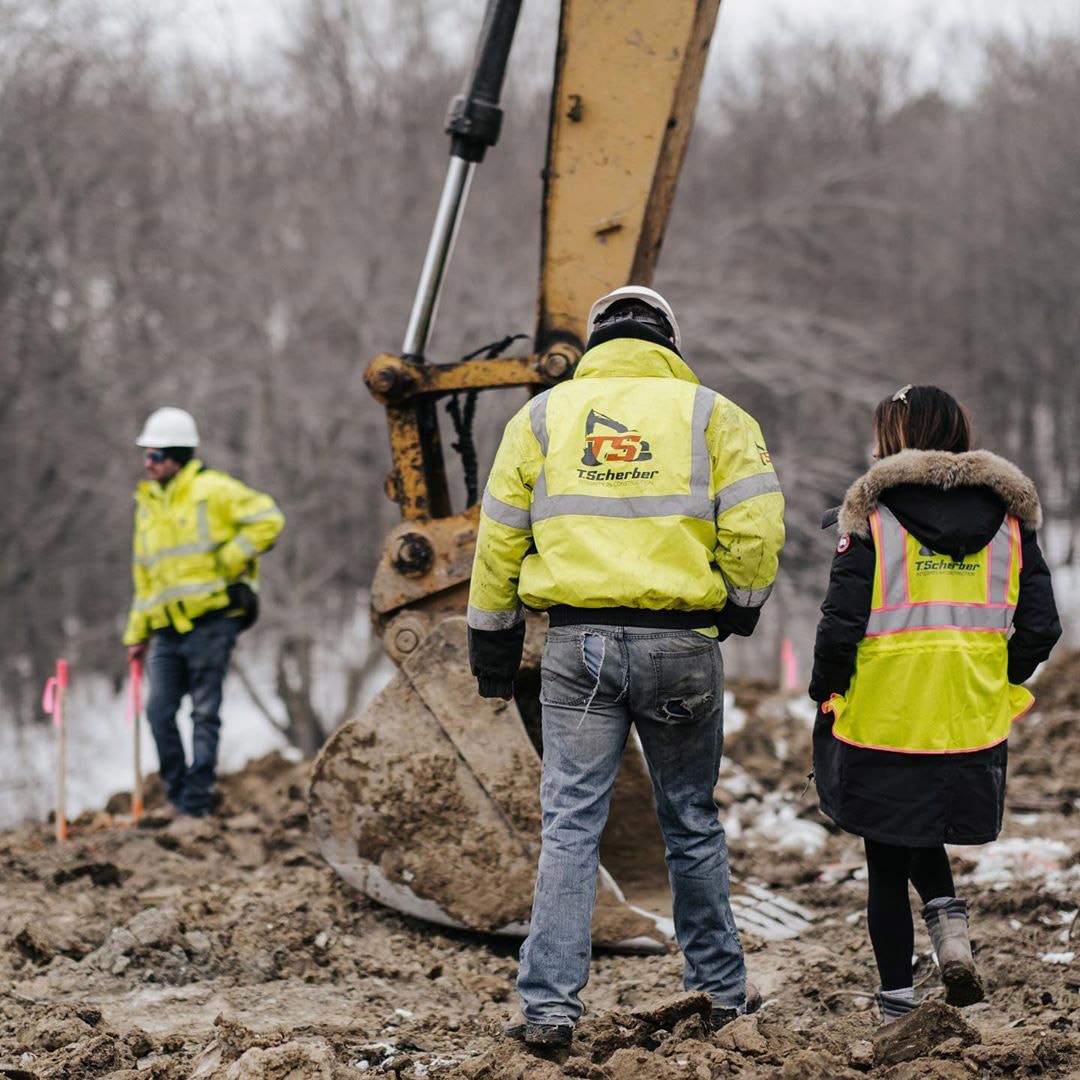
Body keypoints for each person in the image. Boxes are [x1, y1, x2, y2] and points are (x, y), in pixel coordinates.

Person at [467, 286, 785, 1048]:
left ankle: (547, 1008)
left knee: (571, 827)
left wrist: (493, 641)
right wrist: (740, 603)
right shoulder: (714, 414)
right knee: (690, 821)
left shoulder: (541, 417)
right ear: (668, 342)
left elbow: (500, 539)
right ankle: (718, 992)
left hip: (577, 648)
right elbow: (758, 526)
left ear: (595, 345)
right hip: (681, 645)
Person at [809, 385, 1060, 1023]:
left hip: (885, 717)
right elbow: (1041, 627)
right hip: (969, 719)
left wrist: (825, 689)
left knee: (886, 855)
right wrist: (992, 675)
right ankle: (949, 926)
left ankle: (897, 1001)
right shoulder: (1010, 522)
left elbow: (841, 623)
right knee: (922, 828)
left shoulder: (872, 517)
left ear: (894, 437)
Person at [124, 407, 285, 825]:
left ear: (177, 456)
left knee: (203, 713)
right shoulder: (147, 506)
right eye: (146, 455)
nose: (148, 463)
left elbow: (268, 519)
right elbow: (146, 577)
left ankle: (195, 804)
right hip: (166, 629)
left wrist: (228, 561)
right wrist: (135, 634)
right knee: (160, 712)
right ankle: (177, 795)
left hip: (212, 621)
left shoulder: (212, 490)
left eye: (155, 455)